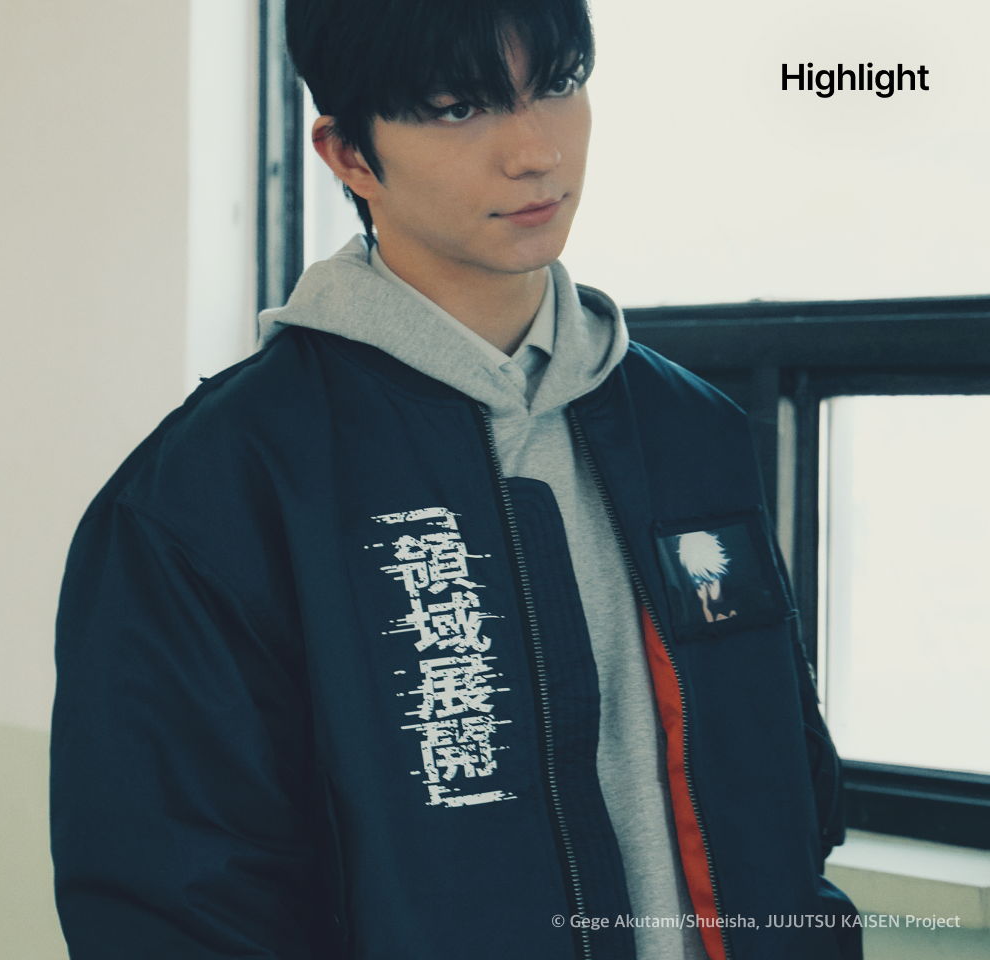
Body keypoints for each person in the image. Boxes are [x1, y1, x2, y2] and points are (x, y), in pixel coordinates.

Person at [50, 1, 860, 958]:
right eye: (457, 107)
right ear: (349, 155)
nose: (534, 152)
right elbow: (173, 909)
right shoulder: (211, 493)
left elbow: (787, 796)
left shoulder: (692, 433)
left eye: (557, 85)